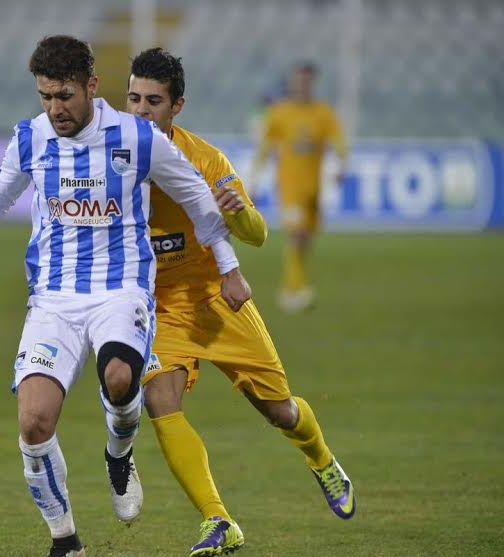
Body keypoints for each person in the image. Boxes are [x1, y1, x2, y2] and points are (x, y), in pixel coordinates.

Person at [0, 35, 251, 557]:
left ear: (91, 87)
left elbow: (197, 196)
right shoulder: (31, 138)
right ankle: (66, 541)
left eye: (65, 95)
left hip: (121, 289)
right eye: (45, 96)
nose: (55, 108)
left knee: (121, 378)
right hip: (53, 297)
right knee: (34, 422)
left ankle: (118, 453)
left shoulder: (138, 137)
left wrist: (229, 268)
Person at [126, 48, 355, 556]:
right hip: (160, 308)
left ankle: (321, 459)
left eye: (153, 101)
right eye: (134, 99)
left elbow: (257, 233)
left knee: (280, 411)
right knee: (160, 400)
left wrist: (235, 212)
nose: (141, 110)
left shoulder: (206, 160)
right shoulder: (110, 156)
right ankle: (218, 519)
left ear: (176, 106)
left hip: (218, 299)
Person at [250, 61, 348, 312]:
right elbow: (264, 148)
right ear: (292, 83)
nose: (302, 85)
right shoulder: (280, 113)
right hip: (289, 187)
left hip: (313, 189)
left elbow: (339, 142)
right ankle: (295, 289)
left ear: (312, 83)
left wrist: (341, 166)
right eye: (298, 81)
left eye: (306, 81)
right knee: (296, 235)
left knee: (306, 239)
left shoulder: (323, 113)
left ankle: (293, 287)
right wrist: (253, 181)